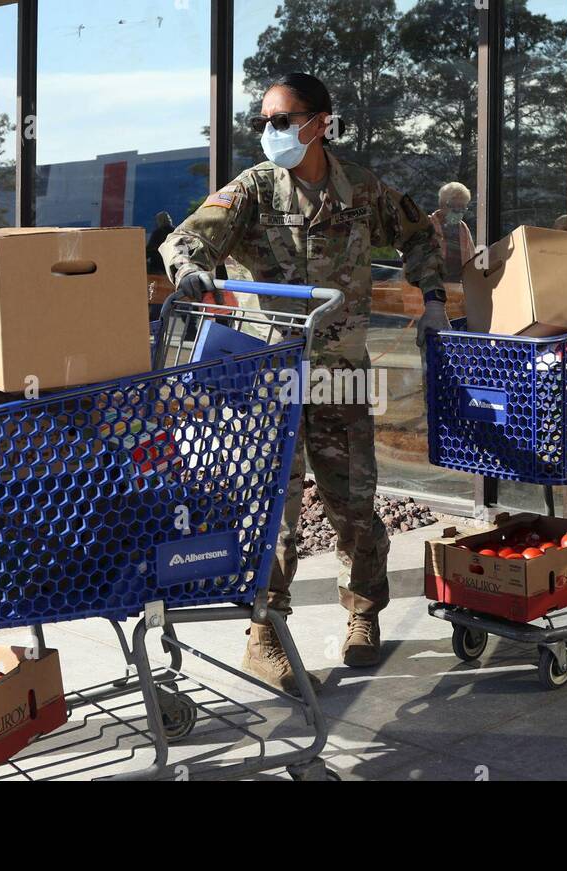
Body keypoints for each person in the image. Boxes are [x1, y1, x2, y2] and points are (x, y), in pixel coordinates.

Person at [160, 72, 446, 690]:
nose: (271, 131)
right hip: (271, 378)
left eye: (282, 120)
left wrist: (434, 298)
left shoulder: (361, 190)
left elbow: (420, 233)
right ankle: (264, 634)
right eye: (264, 120)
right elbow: (188, 238)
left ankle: (364, 614)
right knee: (274, 510)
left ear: (320, 123)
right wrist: (189, 271)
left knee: (354, 503)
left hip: (339, 377)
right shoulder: (256, 189)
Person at [429, 182, 476, 282]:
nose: (459, 211)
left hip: (458, 285)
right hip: (433, 285)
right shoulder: (428, 226)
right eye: (455, 206)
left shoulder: (463, 228)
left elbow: (472, 258)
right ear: (443, 204)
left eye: (463, 207)